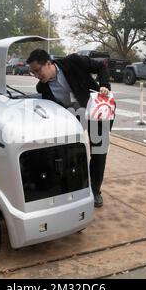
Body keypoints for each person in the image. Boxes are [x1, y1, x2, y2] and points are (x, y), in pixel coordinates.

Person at [26, 49, 113, 208]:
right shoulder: (42, 88)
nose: (37, 75)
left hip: (95, 111)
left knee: (99, 153)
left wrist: (105, 85)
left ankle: (95, 191)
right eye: (33, 73)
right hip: (73, 118)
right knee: (70, 153)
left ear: (48, 63)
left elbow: (101, 66)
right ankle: (74, 189)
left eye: (38, 70)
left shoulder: (73, 61)